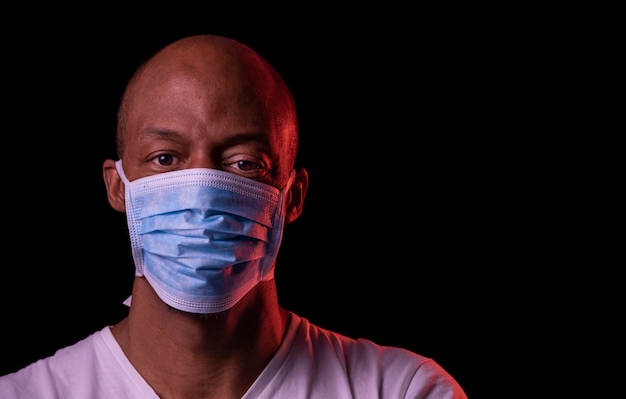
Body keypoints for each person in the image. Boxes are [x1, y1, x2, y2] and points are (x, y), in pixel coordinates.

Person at [0, 34, 467, 399]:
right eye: (165, 158)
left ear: (293, 195)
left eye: (244, 163)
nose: (201, 191)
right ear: (118, 186)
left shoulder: (402, 390)